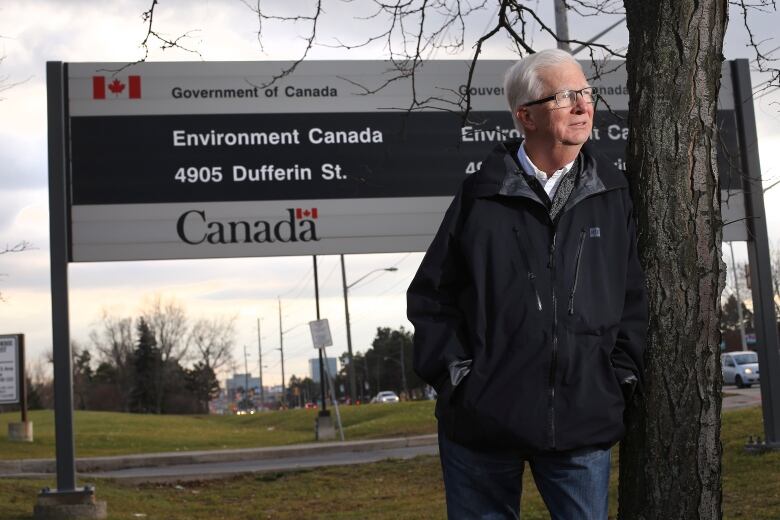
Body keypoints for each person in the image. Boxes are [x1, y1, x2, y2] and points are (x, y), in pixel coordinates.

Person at [407, 49, 648, 519]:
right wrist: (459, 379)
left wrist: (618, 379)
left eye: (586, 93)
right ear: (526, 116)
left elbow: (634, 300)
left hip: (583, 421)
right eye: (565, 97)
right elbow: (431, 297)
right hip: (481, 424)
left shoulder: (615, 194)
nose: (583, 106)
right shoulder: (480, 196)